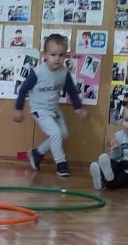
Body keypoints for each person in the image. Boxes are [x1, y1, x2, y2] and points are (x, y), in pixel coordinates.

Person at [13, 33, 87, 178]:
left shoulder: (64, 72)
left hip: (54, 110)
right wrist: (18, 108)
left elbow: (72, 91)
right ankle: (61, 164)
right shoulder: (37, 73)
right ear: (45, 55)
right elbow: (23, 90)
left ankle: (37, 153)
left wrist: (78, 108)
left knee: (63, 134)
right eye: (53, 54)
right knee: (56, 134)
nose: (57, 58)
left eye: (61, 55)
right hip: (39, 109)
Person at [89, 100, 128, 190]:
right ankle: (101, 174)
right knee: (113, 163)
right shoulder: (119, 135)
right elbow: (116, 156)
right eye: (126, 120)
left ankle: (103, 180)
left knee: (122, 177)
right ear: (122, 120)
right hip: (121, 163)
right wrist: (115, 149)